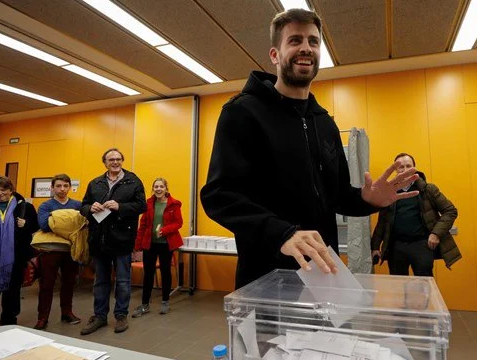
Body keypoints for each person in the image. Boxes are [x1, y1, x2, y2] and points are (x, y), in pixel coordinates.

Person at [200, 9, 418, 289]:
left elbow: (337, 196)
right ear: (275, 55)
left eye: (313, 41)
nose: (306, 47)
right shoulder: (242, 112)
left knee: (329, 334)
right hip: (266, 276)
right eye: (295, 40)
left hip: (323, 272)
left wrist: (367, 199)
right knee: (269, 336)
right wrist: (283, 234)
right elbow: (219, 196)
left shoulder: (324, 122)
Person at [80, 148, 146, 335]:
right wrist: (89, 208)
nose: (115, 162)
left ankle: (120, 316)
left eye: (118, 159)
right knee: (100, 281)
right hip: (99, 239)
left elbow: (142, 206)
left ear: (122, 161)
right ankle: (100, 316)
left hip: (123, 239)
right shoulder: (95, 183)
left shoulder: (133, 181)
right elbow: (83, 206)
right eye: (111, 159)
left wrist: (120, 206)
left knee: (123, 281)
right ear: (105, 162)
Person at [371, 153, 460, 276]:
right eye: (401, 167)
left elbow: (450, 211)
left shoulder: (428, 189)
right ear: (395, 170)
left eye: (408, 166)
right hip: (396, 247)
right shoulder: (389, 192)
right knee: (399, 286)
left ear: (414, 168)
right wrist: (375, 247)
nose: (405, 170)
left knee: (424, 287)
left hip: (421, 245)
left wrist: (436, 234)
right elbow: (382, 223)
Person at [34, 174, 82, 330]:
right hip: (50, 250)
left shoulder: (77, 205)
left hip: (71, 250)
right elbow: (44, 225)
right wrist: (69, 220)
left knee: (69, 283)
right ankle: (43, 317)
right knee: (46, 285)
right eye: (59, 186)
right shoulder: (45, 205)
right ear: (52, 188)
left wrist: (55, 219)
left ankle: (67, 313)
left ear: (69, 187)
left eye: (65, 186)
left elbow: (81, 226)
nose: (62, 189)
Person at [0, 176, 39, 327]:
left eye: (3, 190)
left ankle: (8, 328)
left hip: (15, 262)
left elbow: (35, 227)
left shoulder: (24, 207)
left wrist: (27, 224)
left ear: (11, 190)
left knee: (11, 299)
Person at [132, 178, 183, 317]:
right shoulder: (148, 203)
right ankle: (144, 304)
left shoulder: (174, 204)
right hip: (150, 244)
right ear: (153, 188)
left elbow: (179, 223)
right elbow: (142, 225)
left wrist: (165, 230)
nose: (158, 189)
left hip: (166, 244)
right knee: (148, 274)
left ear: (166, 188)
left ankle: (165, 301)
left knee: (166, 273)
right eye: (156, 186)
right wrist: (137, 245)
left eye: (161, 186)